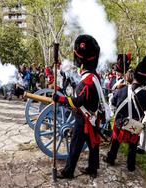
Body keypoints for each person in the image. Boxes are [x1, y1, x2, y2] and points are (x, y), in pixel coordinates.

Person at [104, 54, 146, 171]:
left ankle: (111, 159)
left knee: (116, 142)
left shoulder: (120, 89)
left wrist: (116, 113)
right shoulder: (145, 94)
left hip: (120, 122)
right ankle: (130, 165)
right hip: (134, 124)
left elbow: (112, 103)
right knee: (133, 146)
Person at [53, 35, 103, 179]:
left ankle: (68, 172)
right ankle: (93, 169)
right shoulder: (93, 76)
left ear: (81, 63)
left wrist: (60, 98)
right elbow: (85, 94)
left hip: (84, 119)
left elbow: (78, 101)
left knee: (75, 146)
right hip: (93, 116)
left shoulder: (87, 80)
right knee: (93, 144)